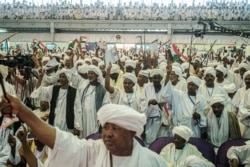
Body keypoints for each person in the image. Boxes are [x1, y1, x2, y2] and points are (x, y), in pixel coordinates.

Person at [0, 97, 167, 167]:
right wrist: (22, 110)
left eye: (115, 128)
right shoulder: (94, 150)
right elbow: (60, 141)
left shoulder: (152, 161)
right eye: (106, 127)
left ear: (132, 133)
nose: (108, 133)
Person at [75, 65, 109, 138]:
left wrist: (100, 119)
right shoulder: (84, 87)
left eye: (92, 73)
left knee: (93, 136)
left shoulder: (102, 90)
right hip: (83, 116)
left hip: (94, 118)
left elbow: (105, 105)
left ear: (97, 75)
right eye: (89, 73)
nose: (90, 75)